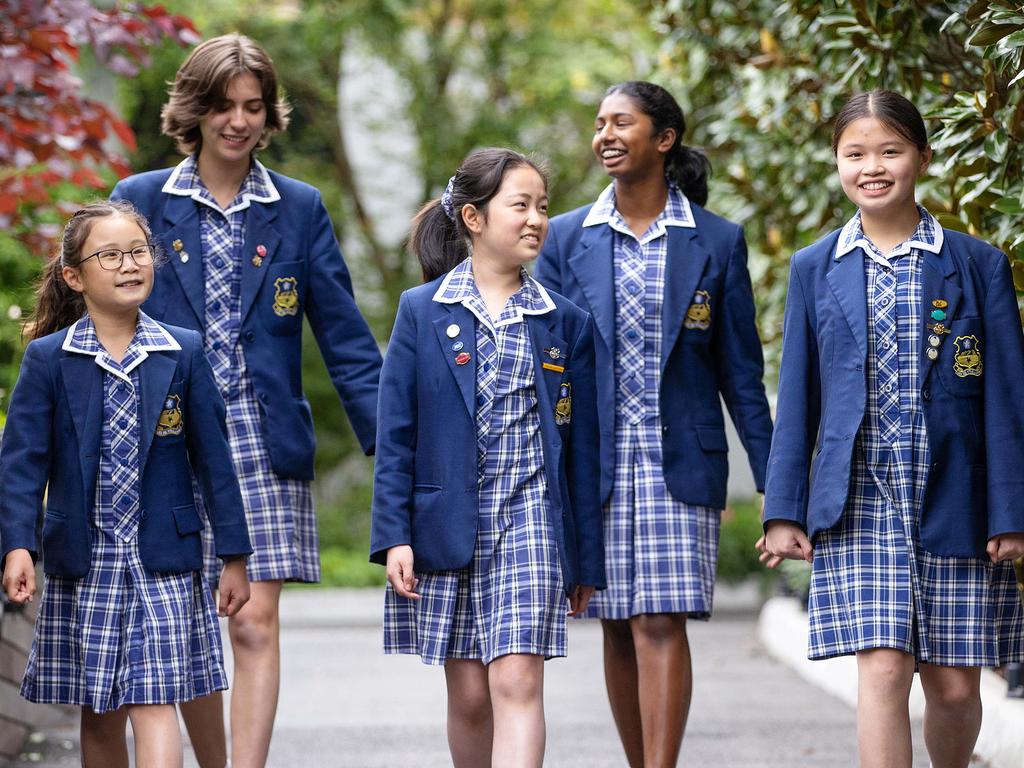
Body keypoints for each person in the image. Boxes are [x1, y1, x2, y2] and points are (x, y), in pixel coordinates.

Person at [110, 34, 382, 768]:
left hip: (263, 443)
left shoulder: (299, 209)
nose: (238, 121)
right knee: (185, 624)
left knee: (254, 621)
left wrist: (396, 445)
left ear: (269, 114)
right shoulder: (139, 202)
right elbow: (102, 323)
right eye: (224, 106)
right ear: (194, 111)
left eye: (253, 107)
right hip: (164, 441)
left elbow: (346, 338)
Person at [760, 90, 1024, 768]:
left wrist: (1010, 511)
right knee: (880, 670)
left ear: (923, 158)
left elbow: (1006, 401)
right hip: (859, 501)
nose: (871, 167)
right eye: (854, 154)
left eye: (889, 151)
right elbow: (800, 399)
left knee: (956, 685)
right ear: (837, 164)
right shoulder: (815, 266)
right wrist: (784, 509)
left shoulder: (977, 264)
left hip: (956, 497)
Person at [534, 81, 773, 768]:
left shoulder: (717, 241)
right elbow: (550, 363)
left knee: (660, 620)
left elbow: (741, 373)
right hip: (594, 465)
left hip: (680, 463)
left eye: (622, 123)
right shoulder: (566, 237)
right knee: (613, 626)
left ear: (663, 140)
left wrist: (776, 488)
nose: (605, 135)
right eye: (599, 123)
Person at [369, 147, 604, 767]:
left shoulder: (566, 322)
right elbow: (397, 434)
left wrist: (583, 556)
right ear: (473, 218)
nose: (536, 220)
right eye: (519, 205)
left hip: (530, 523)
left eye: (542, 207)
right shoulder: (422, 312)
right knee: (471, 696)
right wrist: (394, 536)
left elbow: (582, 451)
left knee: (517, 682)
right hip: (445, 526)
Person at [0, 201, 252, 768]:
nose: (128, 264)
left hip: (165, 558)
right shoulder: (49, 359)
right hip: (85, 561)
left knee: (154, 701)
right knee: (102, 712)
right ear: (74, 276)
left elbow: (216, 461)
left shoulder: (181, 351)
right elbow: (21, 464)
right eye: (109, 255)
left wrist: (233, 557)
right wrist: (18, 545)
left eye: (138, 251)